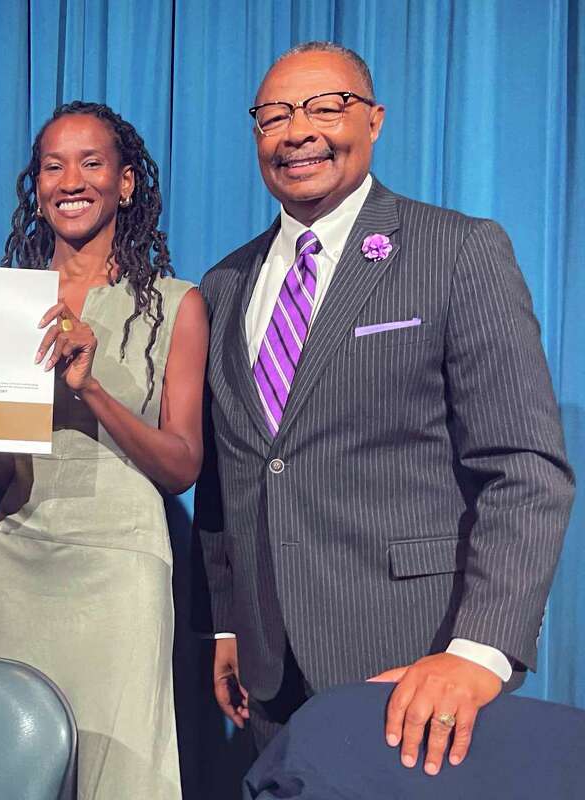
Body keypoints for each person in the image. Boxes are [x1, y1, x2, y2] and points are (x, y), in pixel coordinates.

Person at [192, 41, 573, 776]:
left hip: (418, 661)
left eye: (325, 107)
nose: (297, 131)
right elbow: (231, 476)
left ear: (374, 121)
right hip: (272, 672)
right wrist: (229, 627)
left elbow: (525, 467)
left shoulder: (457, 250)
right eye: (274, 116)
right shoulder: (224, 283)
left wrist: (478, 652)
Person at [0, 101, 209, 800]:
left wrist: (94, 391)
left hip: (121, 569)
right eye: (53, 165)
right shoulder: (3, 302)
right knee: (4, 767)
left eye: (91, 162)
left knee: (121, 773)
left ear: (126, 184)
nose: (70, 179)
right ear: (35, 187)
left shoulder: (176, 304)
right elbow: (7, 462)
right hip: (16, 561)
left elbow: (182, 466)